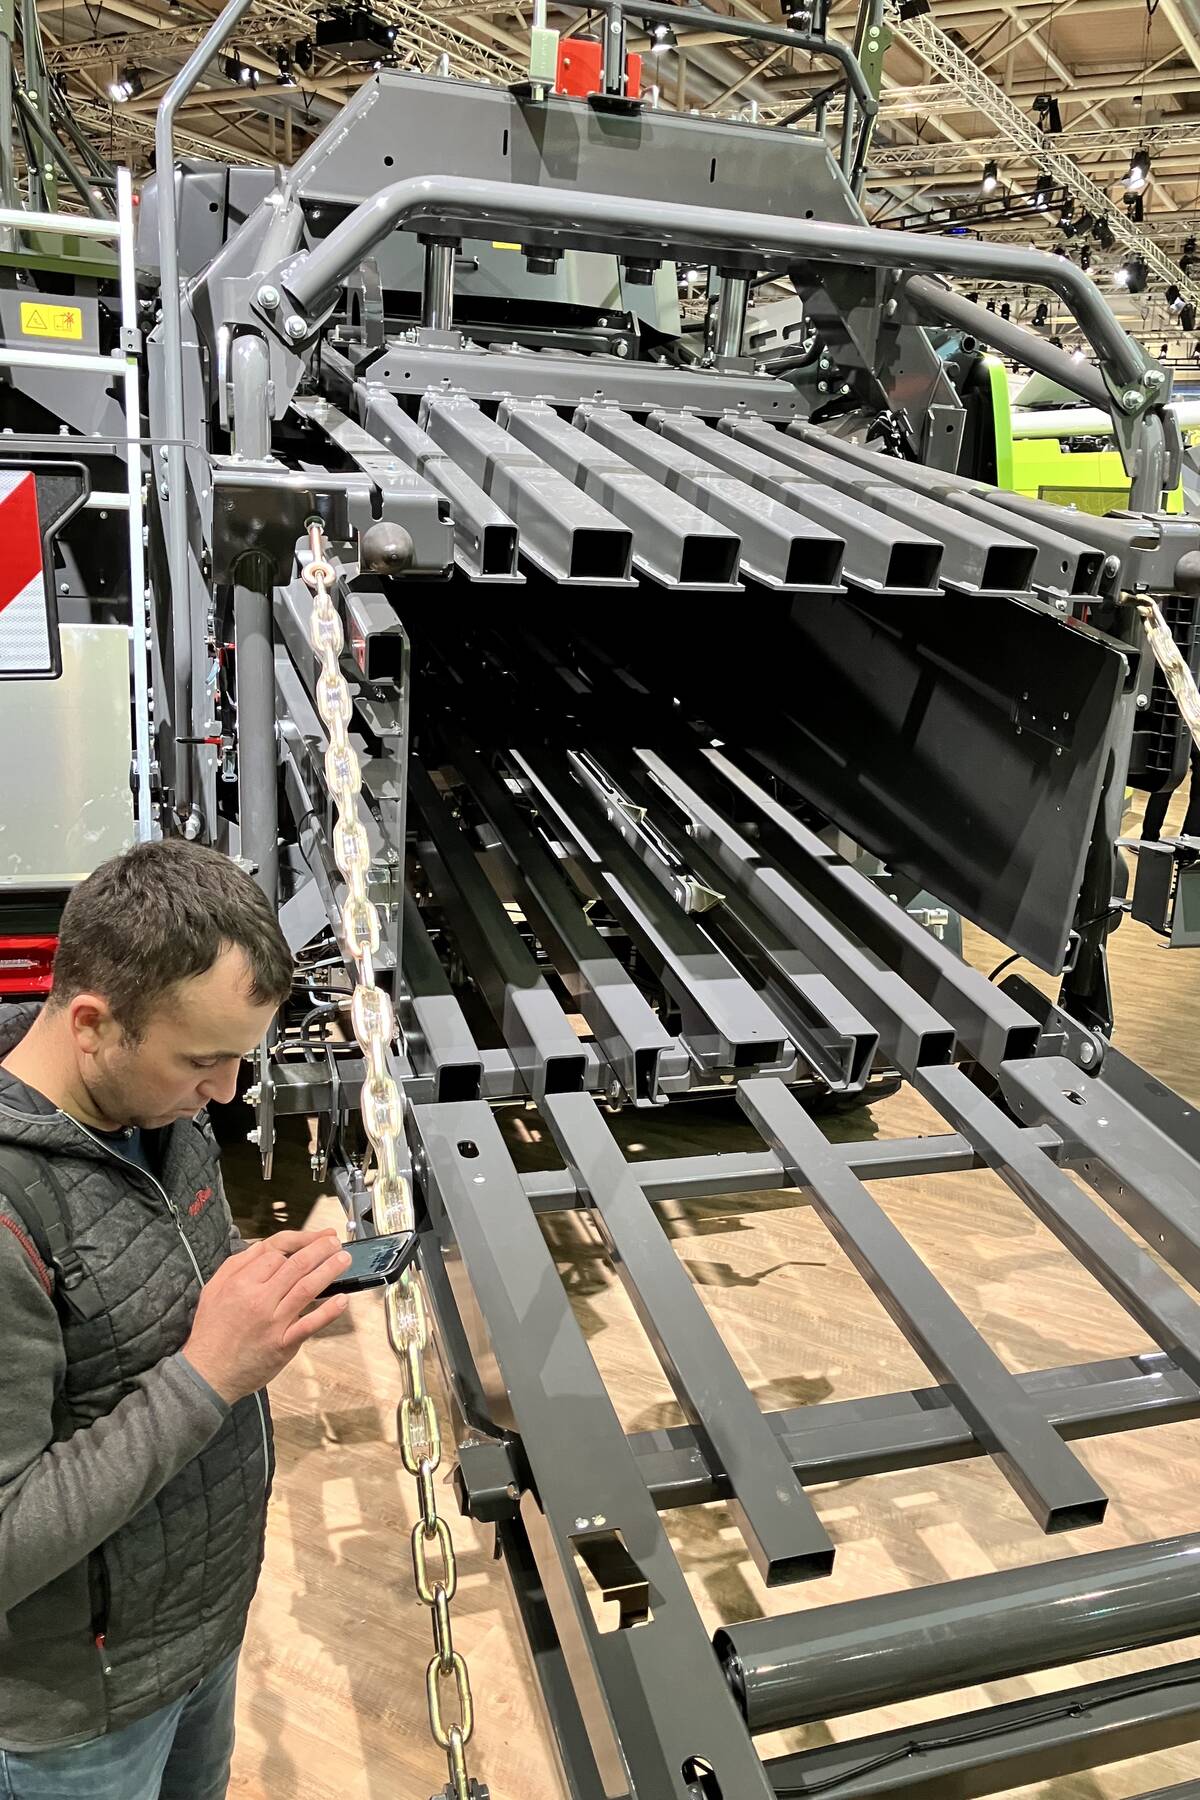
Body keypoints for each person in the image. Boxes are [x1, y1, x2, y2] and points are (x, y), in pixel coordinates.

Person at [0, 839, 352, 1798]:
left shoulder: (156, 1106)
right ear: (91, 1024)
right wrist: (210, 1373)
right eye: (205, 1061)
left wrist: (246, 1279)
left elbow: (147, 1278)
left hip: (199, 1628)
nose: (226, 1094)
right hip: (86, 1708)